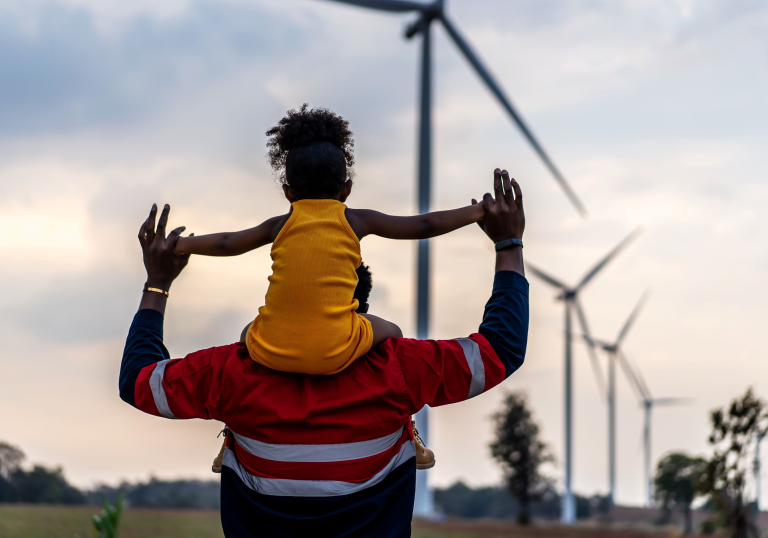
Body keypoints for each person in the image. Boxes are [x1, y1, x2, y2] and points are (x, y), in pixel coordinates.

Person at [121, 169, 527, 537]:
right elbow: (500, 349)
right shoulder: (401, 368)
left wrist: (157, 284)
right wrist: (508, 244)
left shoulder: (230, 373)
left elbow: (139, 381)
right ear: (359, 309)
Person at [173, 105, 484, 378]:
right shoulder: (356, 220)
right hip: (336, 348)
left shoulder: (280, 224)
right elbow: (424, 224)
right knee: (394, 332)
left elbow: (228, 242)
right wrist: (477, 211)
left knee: (246, 334)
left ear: (288, 192)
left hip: (272, 350)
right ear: (345, 190)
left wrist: (181, 244)